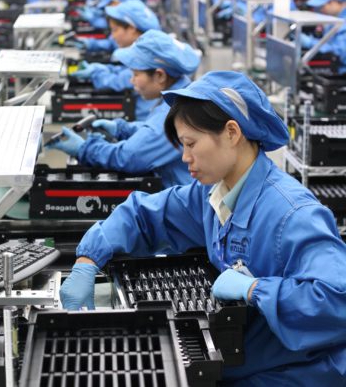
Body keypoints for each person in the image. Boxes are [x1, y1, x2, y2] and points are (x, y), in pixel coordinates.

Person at [59, 70, 346, 385]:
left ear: (232, 132)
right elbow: (144, 215)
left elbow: (336, 300)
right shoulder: (212, 195)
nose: (185, 157)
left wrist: (255, 290)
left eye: (191, 143)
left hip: (295, 372)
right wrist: (87, 259)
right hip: (240, 360)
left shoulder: (292, 215)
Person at [49, 30, 200, 188]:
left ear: (160, 76)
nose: (131, 80)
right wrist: (123, 129)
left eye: (135, 74)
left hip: (178, 197)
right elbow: (155, 133)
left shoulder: (174, 113)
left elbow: (127, 158)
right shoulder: (182, 96)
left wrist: (84, 149)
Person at [72, 0, 161, 121]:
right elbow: (125, 71)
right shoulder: (146, 47)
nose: (112, 36)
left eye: (114, 30)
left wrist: (97, 73)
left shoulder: (147, 56)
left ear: (132, 28)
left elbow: (121, 79)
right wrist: (102, 68)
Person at [301, 0, 346, 74]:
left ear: (334, 1)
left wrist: (312, 43)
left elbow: (341, 54)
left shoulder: (342, 23)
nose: (321, 10)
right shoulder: (337, 19)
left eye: (322, 5)